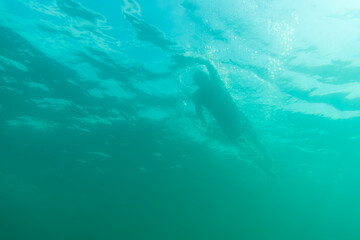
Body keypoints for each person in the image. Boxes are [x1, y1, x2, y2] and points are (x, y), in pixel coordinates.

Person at [172, 55, 274, 176]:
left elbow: (200, 117)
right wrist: (190, 60)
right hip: (235, 119)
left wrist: (205, 127)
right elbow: (200, 118)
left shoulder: (201, 93)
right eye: (202, 79)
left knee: (248, 144)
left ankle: (268, 167)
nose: (204, 80)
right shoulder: (210, 85)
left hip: (231, 122)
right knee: (250, 142)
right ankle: (268, 166)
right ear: (202, 80)